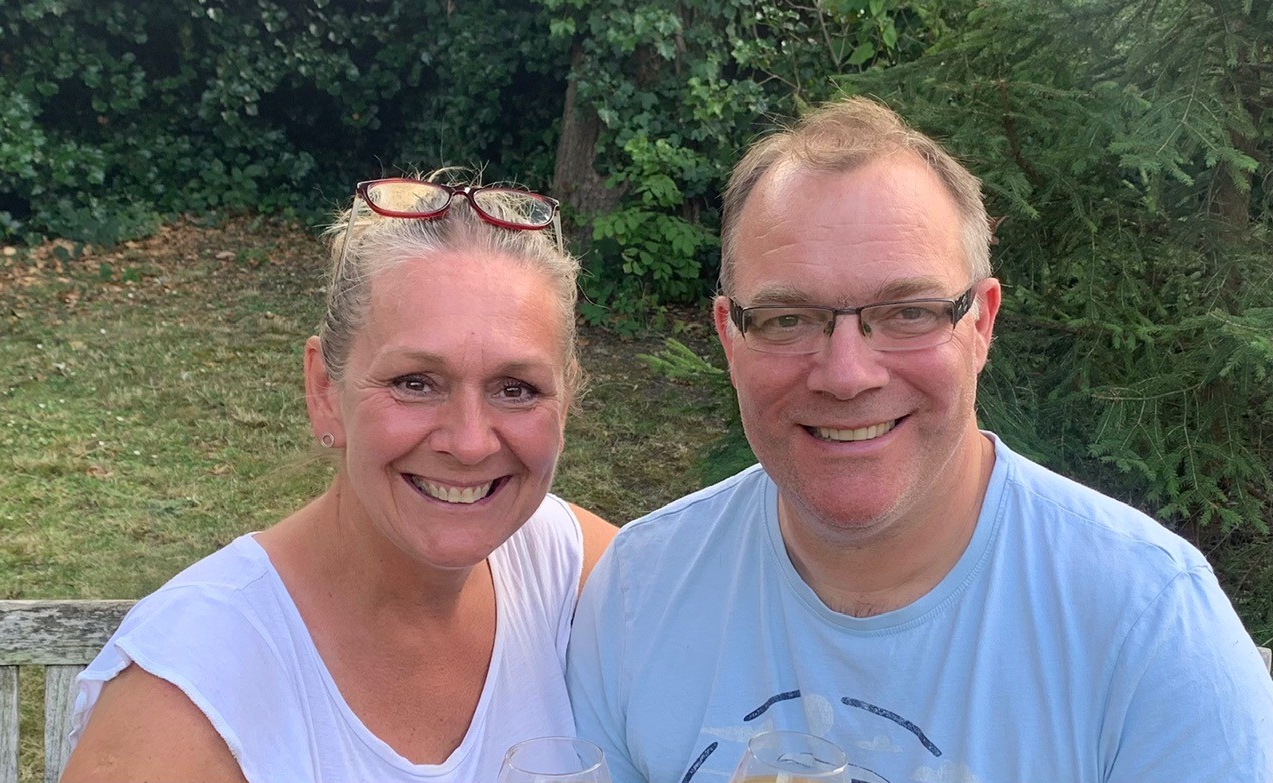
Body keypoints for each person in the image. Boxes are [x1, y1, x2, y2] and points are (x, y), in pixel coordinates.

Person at [566, 97, 1273, 782]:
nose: (847, 375)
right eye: (787, 318)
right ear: (729, 337)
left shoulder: (1150, 631)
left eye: (909, 311)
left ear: (981, 325)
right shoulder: (638, 595)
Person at [63, 172, 617, 782]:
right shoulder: (187, 695)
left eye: (517, 389)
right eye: (415, 383)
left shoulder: (563, 567)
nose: (468, 443)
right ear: (325, 393)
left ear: (565, 403)